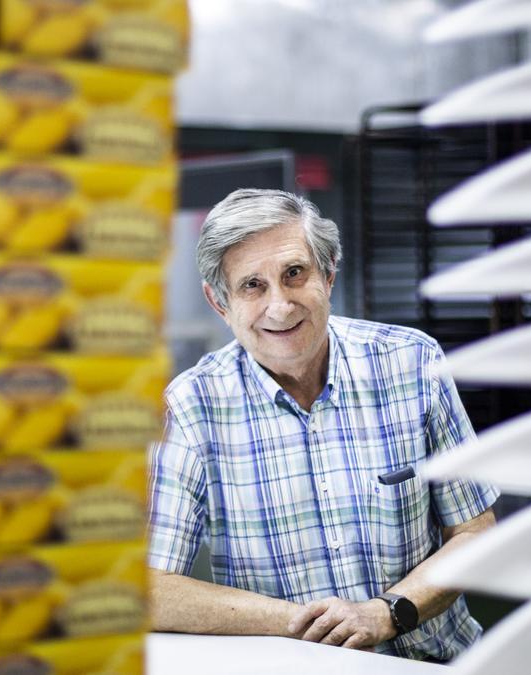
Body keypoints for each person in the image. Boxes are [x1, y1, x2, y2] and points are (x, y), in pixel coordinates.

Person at [147, 188, 499, 662]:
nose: (280, 305)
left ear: (329, 273)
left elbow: (475, 534)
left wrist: (386, 612)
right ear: (219, 302)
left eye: (295, 274)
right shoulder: (191, 407)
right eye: (252, 285)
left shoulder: (414, 363)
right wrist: (301, 623)